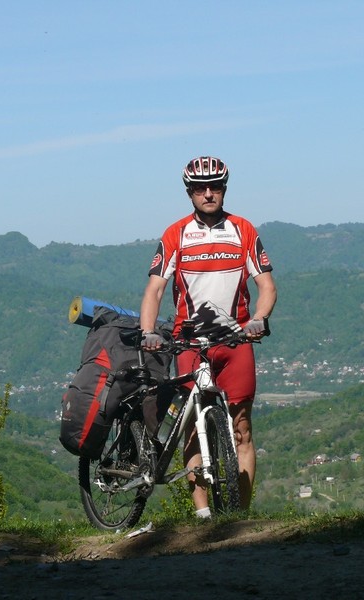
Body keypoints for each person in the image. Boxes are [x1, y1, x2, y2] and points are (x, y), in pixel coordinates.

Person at [139, 156, 277, 516]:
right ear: (190, 193)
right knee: (193, 424)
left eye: (215, 186)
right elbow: (154, 290)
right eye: (200, 188)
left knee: (242, 427)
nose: (208, 193)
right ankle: (202, 517)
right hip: (190, 342)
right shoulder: (176, 234)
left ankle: (240, 517)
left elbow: (266, 285)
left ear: (224, 189)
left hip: (235, 342)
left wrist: (259, 319)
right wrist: (148, 331)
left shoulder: (244, 230)